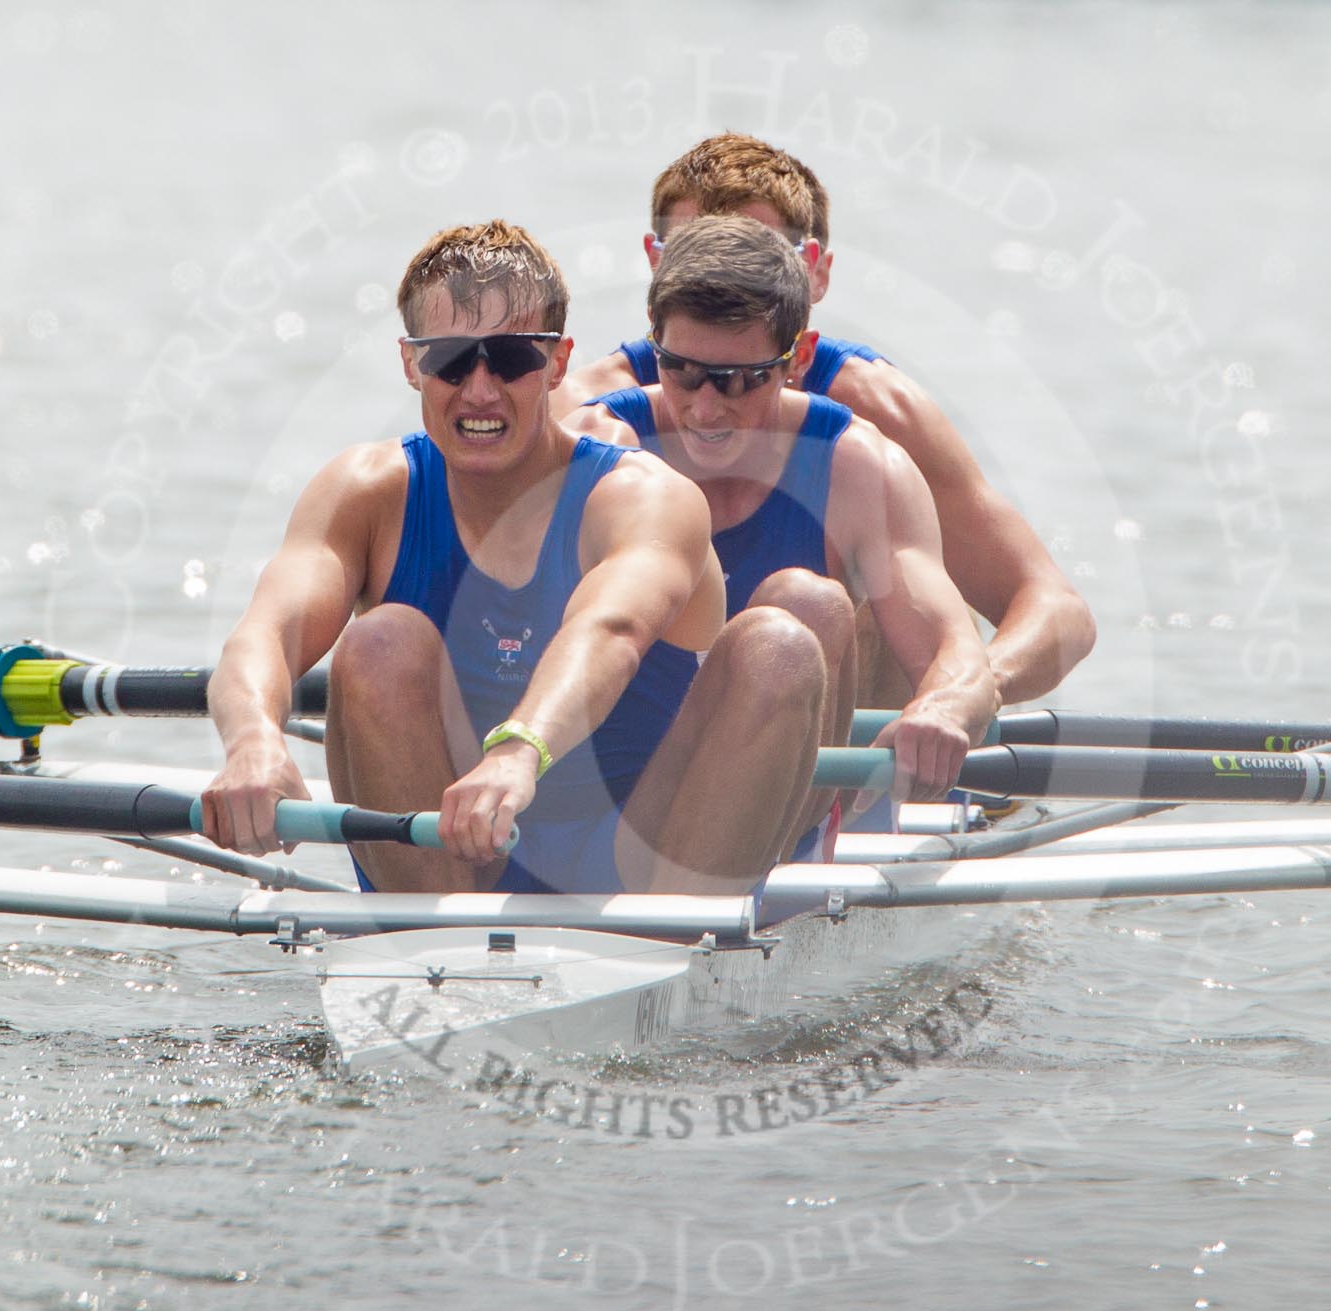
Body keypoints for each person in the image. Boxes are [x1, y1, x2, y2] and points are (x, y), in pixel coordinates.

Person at [200, 221, 829, 896]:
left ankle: (691, 944)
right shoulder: (365, 492)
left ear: (557, 364)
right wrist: (253, 738)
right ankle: (430, 949)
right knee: (382, 639)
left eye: (509, 360)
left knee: (780, 646)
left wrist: (520, 750)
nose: (478, 391)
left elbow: (609, 629)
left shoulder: (641, 499)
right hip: (450, 859)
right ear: (410, 363)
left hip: (645, 865)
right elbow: (264, 633)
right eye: (449, 359)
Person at [553, 133, 1095, 709]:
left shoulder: (875, 412)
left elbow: (1055, 609)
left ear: (812, 271)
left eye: (756, 254)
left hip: (837, 737)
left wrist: (962, 694)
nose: (726, 273)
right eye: (697, 251)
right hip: (642, 744)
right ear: (657, 265)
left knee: (909, 603)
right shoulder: (588, 412)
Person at [563, 214, 996, 832]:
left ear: (800, 359)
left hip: (771, 818)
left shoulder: (859, 467)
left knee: (806, 604)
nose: (705, 407)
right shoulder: (596, 445)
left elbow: (957, 649)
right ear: (652, 343)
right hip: (610, 804)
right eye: (681, 370)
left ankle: (765, 867)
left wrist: (946, 708)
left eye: (738, 379)